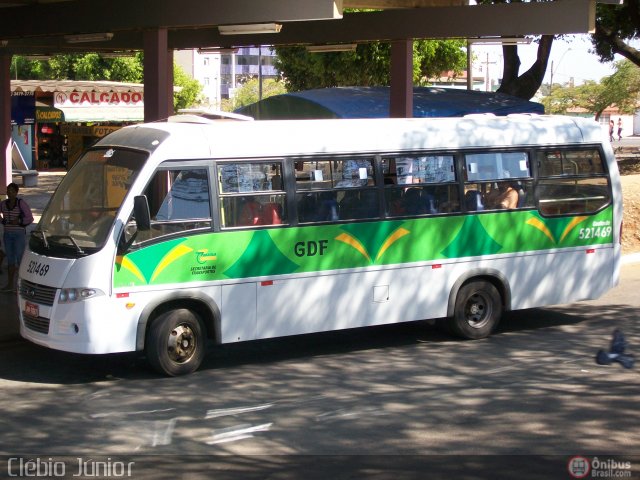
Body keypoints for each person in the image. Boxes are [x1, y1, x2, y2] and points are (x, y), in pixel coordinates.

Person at [0, 183, 34, 292]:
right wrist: (2, 221)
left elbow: (30, 218)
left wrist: (19, 221)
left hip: (19, 235)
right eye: (8, 191)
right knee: (10, 260)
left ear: (16, 192)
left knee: (20, 259)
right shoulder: (3, 204)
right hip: (7, 235)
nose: (10, 193)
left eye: (12, 191)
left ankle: (21, 286)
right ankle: (10, 285)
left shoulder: (21, 203)